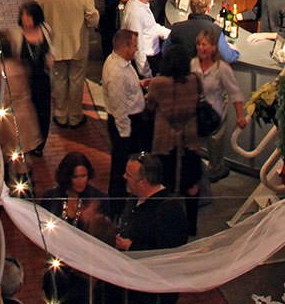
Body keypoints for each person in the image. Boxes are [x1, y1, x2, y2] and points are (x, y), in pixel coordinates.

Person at [143, 42, 205, 234]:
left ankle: (165, 226)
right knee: (192, 184)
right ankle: (191, 225)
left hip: (165, 141)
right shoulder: (195, 80)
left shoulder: (158, 84)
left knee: (163, 183)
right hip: (189, 139)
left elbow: (150, 108)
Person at [115, 153, 191, 304]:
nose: (124, 177)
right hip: (134, 285)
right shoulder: (135, 198)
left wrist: (131, 246)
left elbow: (170, 252)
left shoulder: (169, 210)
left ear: (143, 182)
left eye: (128, 175)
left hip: (154, 293)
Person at [36, 0, 99, 130]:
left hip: (55, 45)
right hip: (77, 45)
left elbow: (36, 16)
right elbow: (92, 20)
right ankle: (75, 116)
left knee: (58, 80)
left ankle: (61, 115)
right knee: (77, 81)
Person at [38, 151, 108, 304]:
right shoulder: (51, 197)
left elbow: (104, 238)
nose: (80, 181)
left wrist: (94, 222)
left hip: (83, 273)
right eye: (76, 177)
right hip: (58, 269)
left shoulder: (97, 199)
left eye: (84, 176)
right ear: (66, 177)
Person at [193, 27, 249, 184]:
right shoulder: (193, 65)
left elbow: (235, 93)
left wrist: (240, 116)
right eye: (199, 45)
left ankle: (215, 168)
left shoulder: (222, 69)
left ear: (213, 48)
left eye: (205, 45)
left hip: (216, 111)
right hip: (197, 109)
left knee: (215, 141)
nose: (201, 48)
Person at [101, 29, 148, 203]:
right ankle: (118, 203)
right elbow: (119, 107)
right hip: (126, 125)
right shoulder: (117, 72)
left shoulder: (119, 63)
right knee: (122, 166)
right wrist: (125, 135)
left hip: (128, 122)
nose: (136, 49)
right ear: (124, 46)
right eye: (134, 45)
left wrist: (140, 85)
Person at [17, 1, 54, 158]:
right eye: (23, 16)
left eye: (29, 16)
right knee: (27, 112)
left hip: (43, 79)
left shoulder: (45, 30)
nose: (26, 20)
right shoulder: (17, 35)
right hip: (25, 81)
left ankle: (40, 143)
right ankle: (29, 141)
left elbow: (53, 47)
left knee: (43, 111)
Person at [167, 0, 239, 65]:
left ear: (191, 6)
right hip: (204, 75)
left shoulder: (177, 28)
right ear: (208, 8)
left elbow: (165, 51)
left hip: (180, 74)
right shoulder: (215, 31)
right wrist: (235, 51)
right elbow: (228, 57)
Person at [122, 0, 171, 78]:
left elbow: (151, 27)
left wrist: (173, 33)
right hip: (146, 62)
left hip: (152, 57)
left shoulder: (142, 5)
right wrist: (147, 74)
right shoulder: (135, 13)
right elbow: (137, 46)